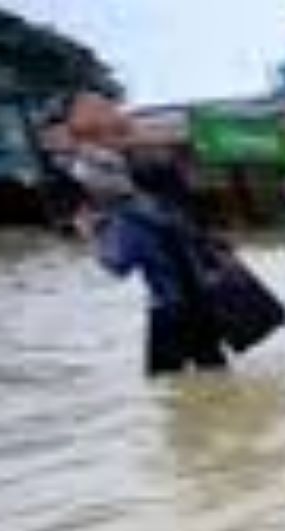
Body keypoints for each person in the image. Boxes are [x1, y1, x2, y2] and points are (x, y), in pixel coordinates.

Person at [68, 97, 227, 377]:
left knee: (167, 392)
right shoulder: (161, 199)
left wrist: (90, 235)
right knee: (214, 375)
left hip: (169, 310)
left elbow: (117, 266)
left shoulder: (128, 212)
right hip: (203, 302)